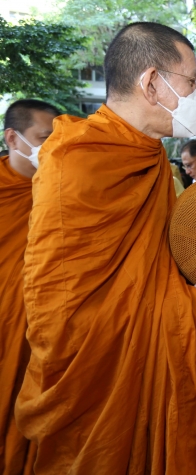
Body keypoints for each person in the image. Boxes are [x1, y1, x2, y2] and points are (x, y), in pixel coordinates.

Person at [15, 22, 196, 474]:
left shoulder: (154, 165)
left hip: (154, 362)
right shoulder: (76, 163)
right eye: (192, 82)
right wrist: (189, 304)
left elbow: (161, 271)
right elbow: (65, 318)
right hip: (97, 389)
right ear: (151, 82)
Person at [0, 99, 58, 475]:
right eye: (43, 138)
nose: (49, 148)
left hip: (45, 332)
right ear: (13, 138)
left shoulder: (60, 188)